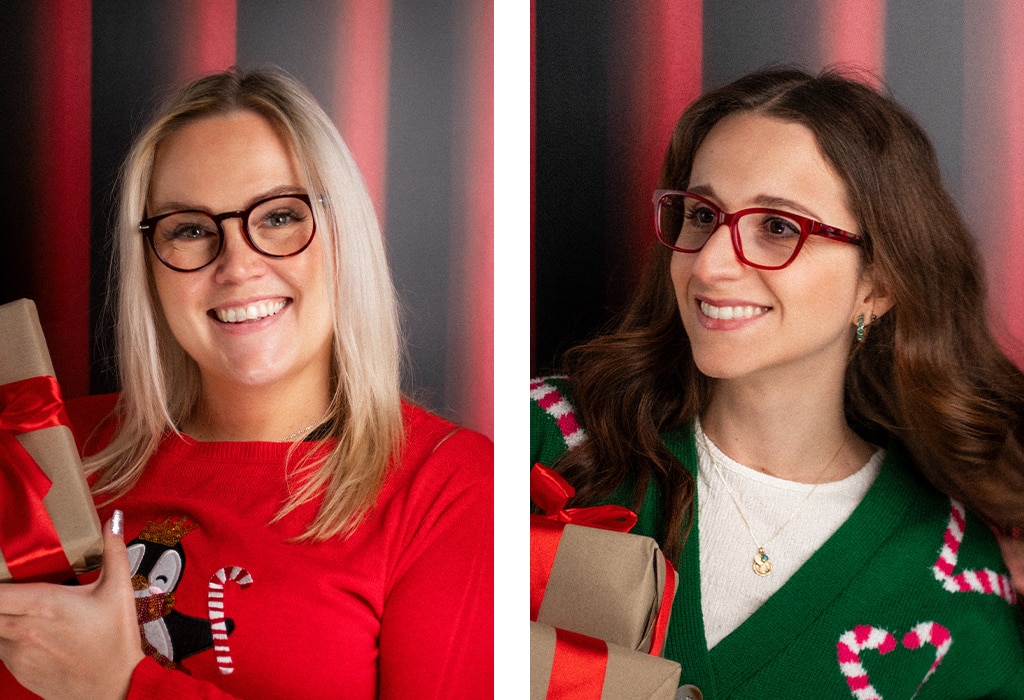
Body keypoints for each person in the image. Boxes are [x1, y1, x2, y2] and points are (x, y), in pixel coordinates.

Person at [0, 67, 493, 699]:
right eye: (189, 229)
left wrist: (123, 684)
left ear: (345, 235)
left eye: (282, 216)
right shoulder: (48, 449)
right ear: (149, 265)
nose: (237, 265)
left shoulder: (448, 487)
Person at [531, 67, 1024, 697]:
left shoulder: (955, 578)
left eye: (779, 228)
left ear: (877, 284)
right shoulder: (548, 441)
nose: (709, 265)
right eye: (703, 216)